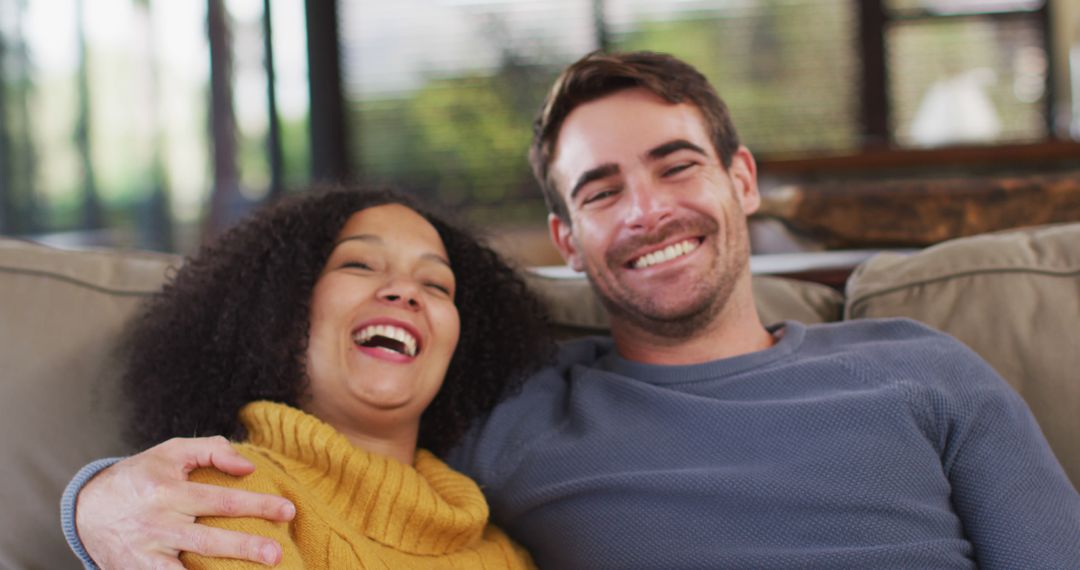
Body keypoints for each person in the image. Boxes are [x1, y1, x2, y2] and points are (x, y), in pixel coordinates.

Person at [64, 52, 1080, 569]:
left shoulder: (923, 368)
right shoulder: (513, 413)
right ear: (567, 241)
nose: (645, 211)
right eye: (600, 192)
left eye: (676, 167)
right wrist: (93, 500)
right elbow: (331, 461)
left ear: (743, 182)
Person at [65, 187, 549, 568]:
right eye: (359, 264)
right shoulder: (223, 493)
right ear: (284, 308)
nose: (404, 290)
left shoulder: (504, 553)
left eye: (436, 284)